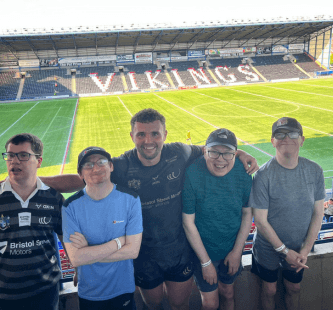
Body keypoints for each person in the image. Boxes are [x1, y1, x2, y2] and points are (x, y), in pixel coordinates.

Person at [40, 108, 259, 310]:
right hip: (144, 254)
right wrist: (34, 181)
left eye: (155, 134)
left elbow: (212, 150)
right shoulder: (122, 165)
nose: (148, 141)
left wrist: (240, 154)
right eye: (141, 134)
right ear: (132, 136)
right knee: (153, 306)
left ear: (164, 134)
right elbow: (84, 177)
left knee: (179, 305)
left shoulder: (180, 153)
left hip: (178, 251)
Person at [0, 133, 64, 310]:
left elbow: (67, 239)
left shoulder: (54, 199)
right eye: (10, 155)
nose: (14, 161)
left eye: (23, 155)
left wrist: (80, 270)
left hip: (46, 292)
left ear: (39, 161)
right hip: (4, 297)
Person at [249, 117, 325, 310]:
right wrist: (283, 251)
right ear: (273, 141)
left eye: (292, 134)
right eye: (280, 134)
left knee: (294, 288)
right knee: (269, 290)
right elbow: (260, 220)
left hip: (299, 247)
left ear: (302, 139)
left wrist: (305, 250)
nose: (286, 139)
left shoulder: (315, 171)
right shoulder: (263, 175)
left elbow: (318, 213)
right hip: (268, 248)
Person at [62, 147, 143, 310]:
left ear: (111, 166)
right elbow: (76, 259)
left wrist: (88, 251)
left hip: (123, 288)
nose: (96, 168)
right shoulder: (70, 206)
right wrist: (119, 243)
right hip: (90, 292)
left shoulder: (131, 199)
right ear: (80, 174)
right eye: (88, 165)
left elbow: (133, 251)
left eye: (101, 162)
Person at [182, 128, 252, 310]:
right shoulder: (192, 173)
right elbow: (188, 222)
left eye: (227, 153)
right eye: (214, 152)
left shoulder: (243, 172)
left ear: (235, 154)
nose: (220, 159)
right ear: (205, 151)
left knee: (228, 293)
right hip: (202, 251)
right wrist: (205, 263)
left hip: (231, 248)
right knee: (210, 303)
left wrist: (237, 252)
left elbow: (247, 213)